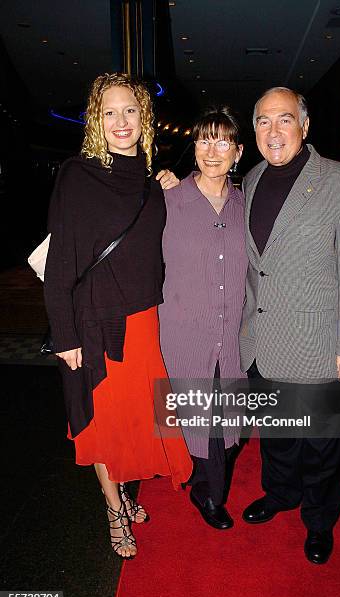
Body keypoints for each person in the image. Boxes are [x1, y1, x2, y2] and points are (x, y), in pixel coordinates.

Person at [44, 72, 192, 559]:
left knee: (140, 419)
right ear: (95, 120)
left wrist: (170, 185)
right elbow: (61, 261)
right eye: (109, 112)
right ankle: (114, 507)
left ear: (144, 117)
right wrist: (64, 334)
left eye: (130, 109)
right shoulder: (76, 174)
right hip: (94, 323)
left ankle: (125, 493)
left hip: (144, 322)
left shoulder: (153, 182)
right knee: (105, 425)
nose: (120, 121)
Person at [239, 87, 340, 563]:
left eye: (283, 120)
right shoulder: (252, 179)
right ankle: (280, 494)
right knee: (276, 434)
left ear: (304, 124)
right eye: (262, 121)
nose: (273, 131)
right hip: (262, 342)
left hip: (320, 345)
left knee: (322, 447)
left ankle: (319, 521)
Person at [158, 107, 248, 529]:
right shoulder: (167, 200)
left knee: (229, 429)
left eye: (223, 140)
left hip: (230, 335)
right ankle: (209, 494)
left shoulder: (246, 207)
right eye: (204, 139)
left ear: (238, 151)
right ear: (193, 147)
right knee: (197, 421)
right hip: (182, 332)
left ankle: (203, 481)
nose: (212, 150)